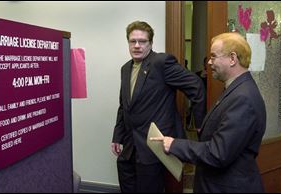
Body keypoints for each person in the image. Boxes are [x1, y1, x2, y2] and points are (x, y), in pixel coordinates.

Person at [151, 32, 266, 193]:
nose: (209, 62)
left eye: (213, 56)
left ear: (232, 59)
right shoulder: (236, 89)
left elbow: (218, 153)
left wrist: (174, 145)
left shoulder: (243, 98)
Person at [111, 21, 206, 193]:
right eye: (133, 41)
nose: (137, 46)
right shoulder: (125, 68)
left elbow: (196, 85)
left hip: (152, 148)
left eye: (142, 41)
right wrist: (117, 136)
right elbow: (124, 105)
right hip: (129, 146)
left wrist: (200, 124)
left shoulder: (161, 63)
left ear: (151, 43)